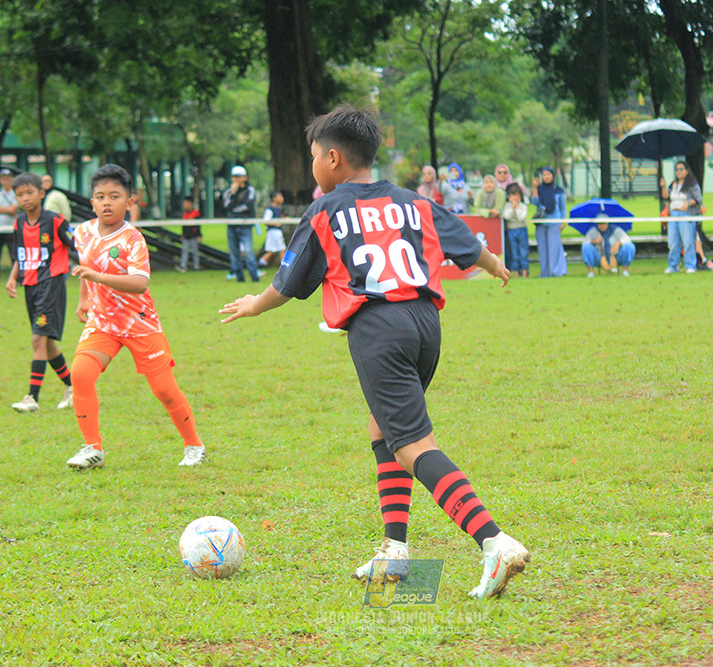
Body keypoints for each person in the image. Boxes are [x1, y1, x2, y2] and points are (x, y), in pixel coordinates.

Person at [218, 105, 529, 599]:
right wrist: (494, 265)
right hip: (426, 324)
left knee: (413, 445)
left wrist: (256, 304)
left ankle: (493, 542)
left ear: (334, 159)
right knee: (382, 426)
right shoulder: (413, 201)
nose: (313, 164)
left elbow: (289, 281)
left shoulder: (324, 210)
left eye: (314, 156)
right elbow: (466, 245)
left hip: (377, 328)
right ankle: (396, 551)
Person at [65, 164, 206, 469]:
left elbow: (140, 282)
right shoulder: (83, 232)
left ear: (130, 201)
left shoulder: (133, 239)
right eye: (100, 196)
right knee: (80, 374)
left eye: (114, 196)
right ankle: (93, 448)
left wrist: (99, 278)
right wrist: (84, 299)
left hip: (139, 323)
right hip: (103, 321)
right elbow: (84, 270)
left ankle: (194, 445)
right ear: (91, 201)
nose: (106, 202)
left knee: (165, 391)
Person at [4, 173, 74, 413]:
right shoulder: (19, 223)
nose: (25, 198)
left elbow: (78, 245)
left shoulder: (55, 221)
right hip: (30, 287)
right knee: (48, 344)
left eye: (29, 193)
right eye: (19, 195)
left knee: (37, 339)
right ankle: (73, 387)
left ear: (41, 193)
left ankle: (32, 398)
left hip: (51, 285)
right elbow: (19, 255)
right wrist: (13, 277)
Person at [660, 161, 702, 274]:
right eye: (677, 169)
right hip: (673, 215)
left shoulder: (692, 185)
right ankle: (673, 265)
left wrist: (688, 203)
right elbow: (666, 197)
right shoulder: (674, 185)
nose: (679, 172)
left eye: (681, 169)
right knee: (673, 243)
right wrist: (663, 186)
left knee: (688, 242)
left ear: (687, 171)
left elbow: (698, 199)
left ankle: (690, 265)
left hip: (686, 215)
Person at [221, 165, 260, 282]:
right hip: (232, 226)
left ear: (245, 177)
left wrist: (233, 208)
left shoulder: (250, 190)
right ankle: (239, 278)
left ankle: (254, 277)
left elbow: (247, 206)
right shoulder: (228, 192)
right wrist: (233, 193)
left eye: (239, 176)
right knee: (234, 252)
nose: (237, 179)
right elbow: (226, 206)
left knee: (248, 251)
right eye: (234, 176)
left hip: (245, 226)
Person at [531, 166, 567, 278]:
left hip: (554, 222)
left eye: (549, 174)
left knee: (554, 248)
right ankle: (545, 273)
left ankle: (557, 272)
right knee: (542, 249)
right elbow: (535, 202)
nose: (546, 177)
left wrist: (563, 221)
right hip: (541, 223)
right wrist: (535, 187)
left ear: (553, 175)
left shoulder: (558, 190)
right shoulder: (540, 189)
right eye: (544, 175)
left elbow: (562, 208)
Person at [501, 183, 529, 278]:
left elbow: (521, 217)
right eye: (512, 195)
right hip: (511, 230)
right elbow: (506, 216)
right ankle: (516, 273)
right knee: (514, 252)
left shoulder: (523, 206)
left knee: (523, 252)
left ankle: (525, 272)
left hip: (522, 230)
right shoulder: (507, 206)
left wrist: (516, 207)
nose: (514, 197)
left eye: (516, 195)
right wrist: (512, 207)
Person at [258, 190, 287, 269]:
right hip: (274, 232)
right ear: (274, 199)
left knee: (271, 251)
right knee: (282, 249)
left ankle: (260, 264)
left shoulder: (277, 209)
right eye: (280, 197)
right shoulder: (270, 210)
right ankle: (285, 267)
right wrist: (276, 223)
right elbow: (266, 221)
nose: (282, 198)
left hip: (276, 232)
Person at [176, 195, 202, 272]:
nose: (184, 206)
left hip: (194, 236)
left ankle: (196, 267)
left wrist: (199, 235)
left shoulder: (196, 213)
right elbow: (184, 227)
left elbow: (198, 226)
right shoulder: (185, 215)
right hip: (186, 237)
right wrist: (183, 235)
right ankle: (183, 266)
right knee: (184, 251)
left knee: (195, 252)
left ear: (190, 203)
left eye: (186, 204)